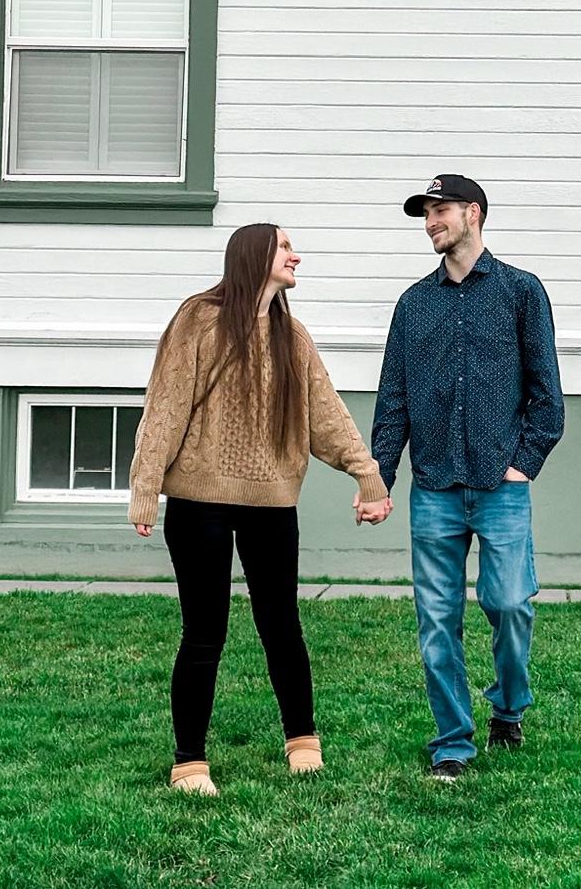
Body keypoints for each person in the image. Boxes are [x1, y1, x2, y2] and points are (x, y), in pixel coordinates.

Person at [128, 222, 393, 794]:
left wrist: (367, 473)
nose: (296, 257)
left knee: (282, 625)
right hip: (198, 502)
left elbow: (325, 413)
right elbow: (165, 405)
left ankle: (302, 741)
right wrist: (145, 486)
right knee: (204, 633)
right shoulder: (198, 319)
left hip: (271, 503)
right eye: (286, 247)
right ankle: (189, 761)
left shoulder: (291, 336)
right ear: (255, 256)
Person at [371, 174, 564, 781]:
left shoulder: (520, 292)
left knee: (509, 604)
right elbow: (393, 399)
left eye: (440, 210)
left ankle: (508, 705)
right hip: (434, 488)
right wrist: (379, 478)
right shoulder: (413, 304)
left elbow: (547, 397)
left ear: (473, 213)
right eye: (425, 214)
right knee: (436, 622)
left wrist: (522, 464)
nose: (430, 222)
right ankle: (452, 742)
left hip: (501, 486)